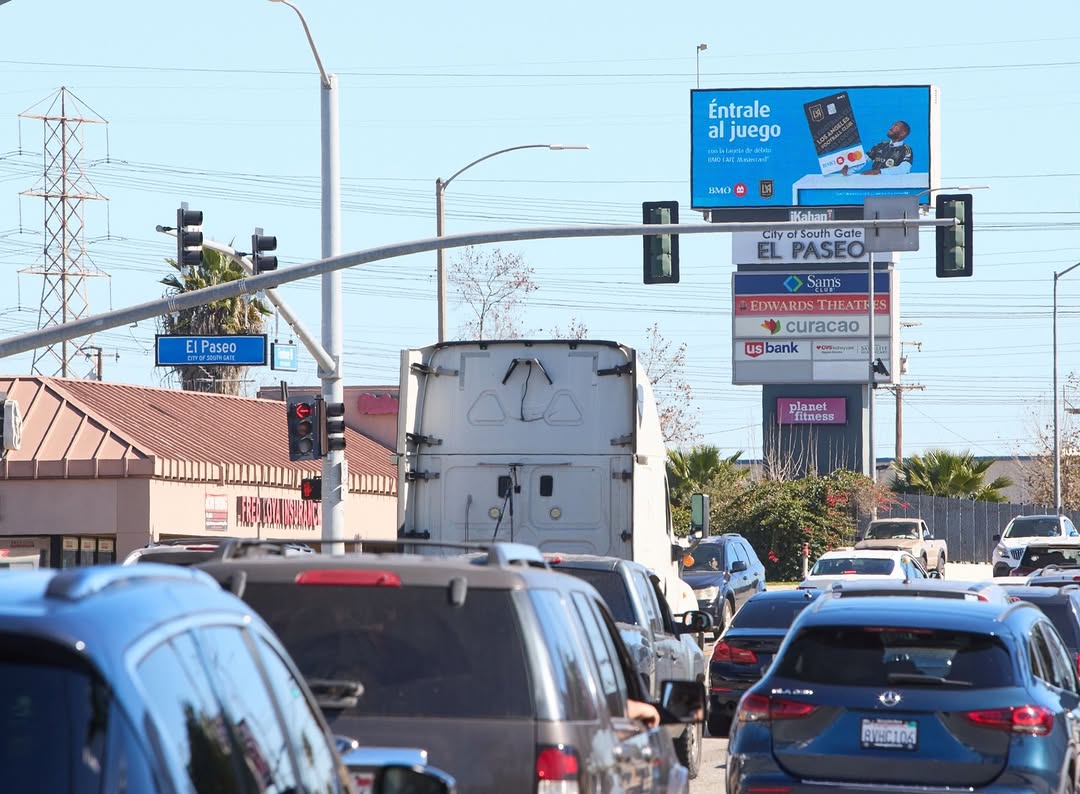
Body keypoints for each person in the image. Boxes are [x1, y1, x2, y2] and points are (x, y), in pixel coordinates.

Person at [842, 120, 913, 175]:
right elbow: (865, 159)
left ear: (903, 133)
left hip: (892, 185)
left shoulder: (906, 149)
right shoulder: (881, 145)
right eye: (892, 125)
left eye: (896, 126)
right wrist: (849, 169)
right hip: (873, 183)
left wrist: (879, 171)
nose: (891, 128)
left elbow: (904, 169)